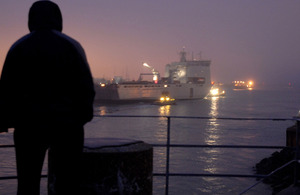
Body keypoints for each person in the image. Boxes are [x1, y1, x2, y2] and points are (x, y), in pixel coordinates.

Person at [0, 1, 95, 194]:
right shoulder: (72, 45)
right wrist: (80, 119)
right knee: (67, 183)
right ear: (58, 19)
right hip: (67, 128)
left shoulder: (18, 47)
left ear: (31, 19)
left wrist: (8, 121)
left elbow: (6, 90)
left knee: (27, 183)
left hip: (28, 127)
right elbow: (86, 88)